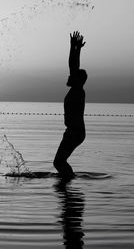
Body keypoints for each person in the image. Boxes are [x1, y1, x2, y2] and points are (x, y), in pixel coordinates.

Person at [53, 31, 87, 181]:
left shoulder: (78, 91)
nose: (68, 77)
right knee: (59, 162)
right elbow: (73, 66)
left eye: (72, 76)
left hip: (75, 132)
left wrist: (75, 48)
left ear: (77, 80)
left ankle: (68, 182)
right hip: (73, 132)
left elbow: (73, 65)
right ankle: (68, 181)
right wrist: (75, 47)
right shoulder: (76, 89)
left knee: (58, 162)